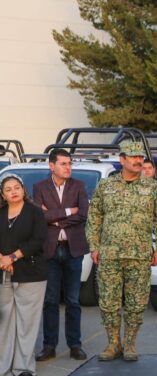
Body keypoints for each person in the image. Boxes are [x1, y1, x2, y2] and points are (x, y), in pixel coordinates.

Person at [86, 141, 157, 362]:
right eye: (132, 157)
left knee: (136, 302)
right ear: (121, 159)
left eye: (140, 157)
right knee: (108, 301)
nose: (137, 160)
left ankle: (130, 344)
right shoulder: (106, 186)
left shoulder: (152, 187)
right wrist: (94, 246)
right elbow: (94, 217)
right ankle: (113, 343)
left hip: (139, 254)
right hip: (109, 255)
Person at [33, 149, 89, 363]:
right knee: (50, 300)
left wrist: (54, 218)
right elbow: (40, 215)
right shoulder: (39, 187)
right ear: (51, 166)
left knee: (73, 300)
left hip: (73, 248)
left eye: (69, 163)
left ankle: (75, 345)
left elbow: (83, 214)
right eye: (64, 163)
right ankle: (49, 346)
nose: (68, 167)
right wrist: (68, 211)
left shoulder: (79, 186)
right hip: (50, 250)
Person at [0, 175, 48, 376]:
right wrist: (2, 260)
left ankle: (24, 366)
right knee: (4, 322)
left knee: (27, 322)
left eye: (17, 187)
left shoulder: (35, 212)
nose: (13, 191)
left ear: (23, 190)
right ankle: (3, 367)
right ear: (3, 194)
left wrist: (11, 257)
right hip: (3, 272)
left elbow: (38, 240)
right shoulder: (1, 213)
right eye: (8, 189)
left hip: (31, 272)